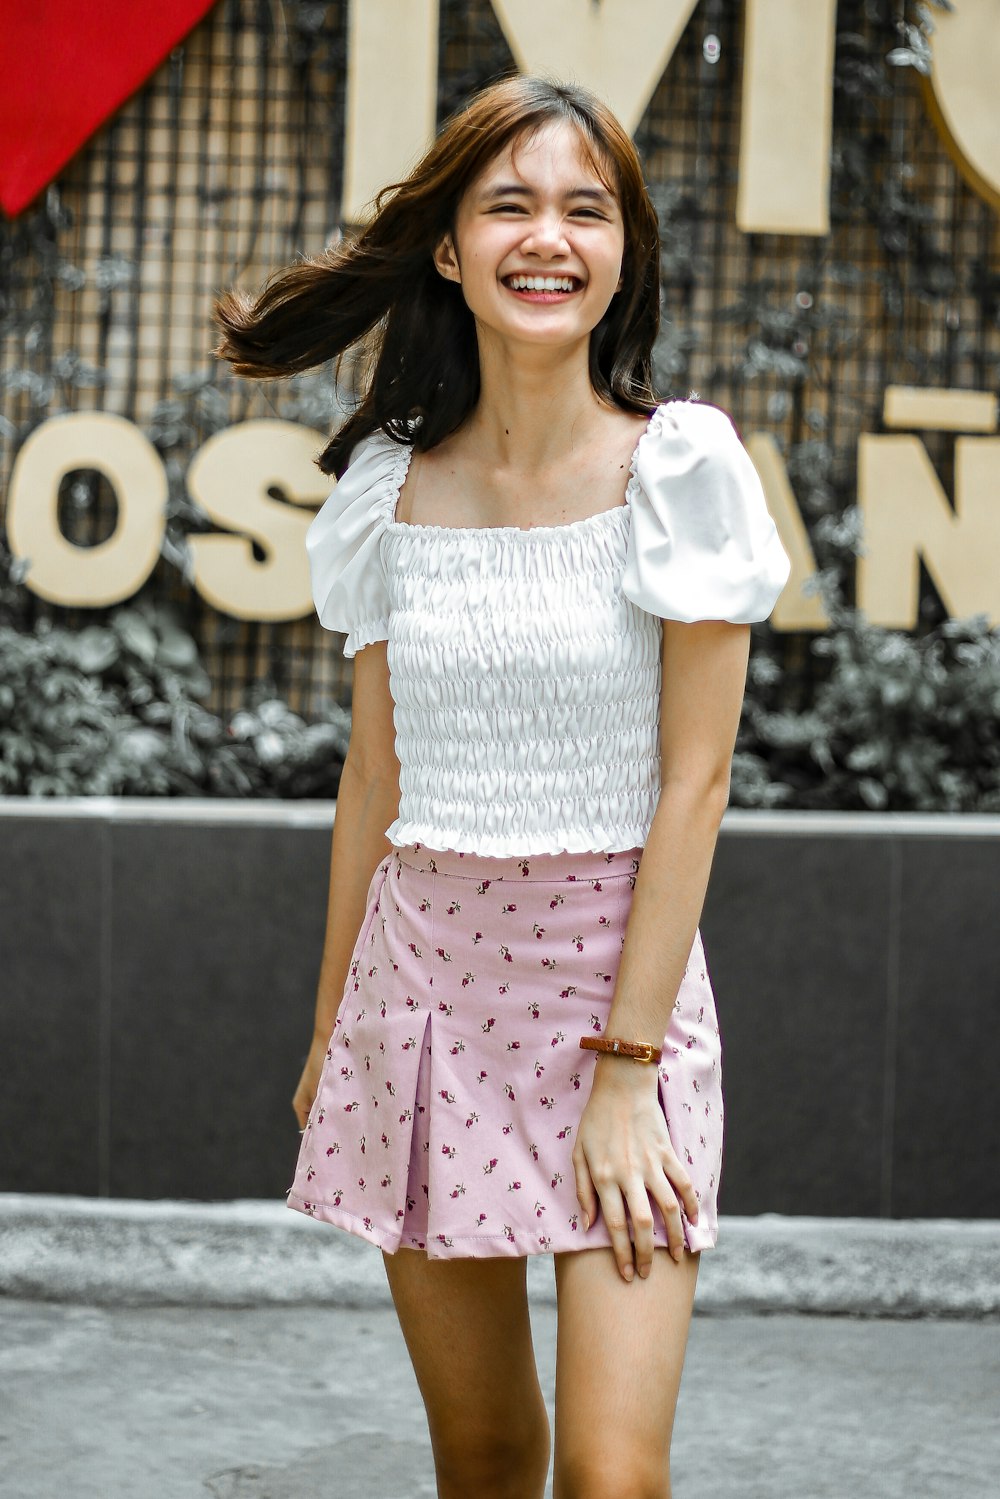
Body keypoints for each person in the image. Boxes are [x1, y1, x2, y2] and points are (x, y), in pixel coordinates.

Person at [214, 73, 789, 1499]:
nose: (549, 237)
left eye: (586, 209)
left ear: (624, 254)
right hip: (425, 1003)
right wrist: (331, 1020)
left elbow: (697, 782)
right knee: (480, 1458)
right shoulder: (384, 493)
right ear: (450, 249)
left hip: (623, 1013)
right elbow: (373, 783)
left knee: (611, 1476)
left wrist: (627, 1071)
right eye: (509, 204)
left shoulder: (682, 470)